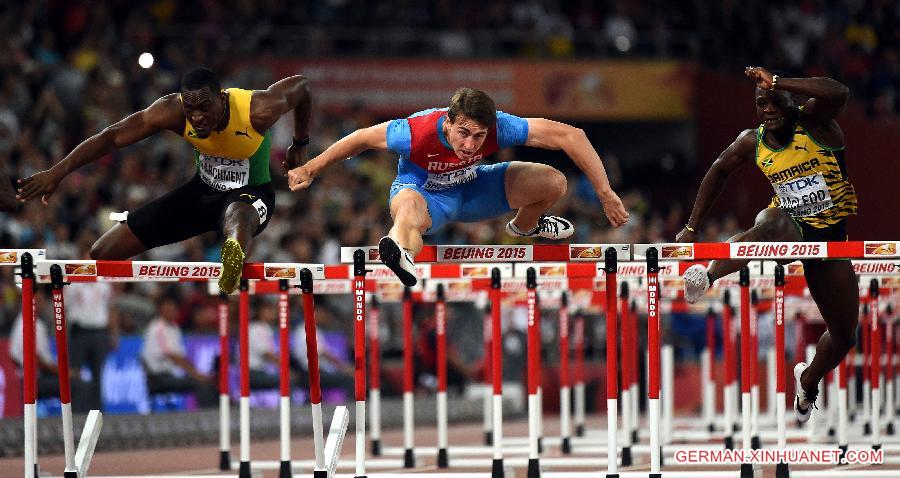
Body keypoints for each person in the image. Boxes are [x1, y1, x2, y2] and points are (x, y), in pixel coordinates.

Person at [288, 87, 629, 286]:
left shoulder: (500, 127)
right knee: (407, 211)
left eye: (478, 136)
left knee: (554, 182)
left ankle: (526, 226)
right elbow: (360, 140)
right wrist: (311, 168)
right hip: (425, 194)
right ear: (448, 122)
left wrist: (605, 192)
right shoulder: (414, 131)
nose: (470, 144)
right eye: (463, 133)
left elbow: (572, 135)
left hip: (475, 188)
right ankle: (400, 251)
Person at [16, 67, 313, 294]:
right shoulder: (172, 111)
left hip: (251, 194)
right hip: (202, 192)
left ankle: (232, 258)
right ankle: (230, 248)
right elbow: (112, 136)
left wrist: (300, 143)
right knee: (103, 252)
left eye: (205, 107)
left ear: (221, 99)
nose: (196, 118)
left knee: (239, 215)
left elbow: (301, 88)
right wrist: (57, 172)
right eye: (190, 109)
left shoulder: (256, 109)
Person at [676, 67, 858, 423]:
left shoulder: (816, 123)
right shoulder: (752, 141)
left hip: (829, 241)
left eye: (776, 102)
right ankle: (707, 276)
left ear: (793, 102)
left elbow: (838, 92)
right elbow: (718, 171)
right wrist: (692, 226)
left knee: (845, 337)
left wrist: (776, 82)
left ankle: (808, 379)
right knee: (771, 222)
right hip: (786, 226)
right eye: (762, 104)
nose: (769, 109)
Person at [140, 296, 216, 407]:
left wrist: (197, 373)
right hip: (157, 377)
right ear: (161, 311)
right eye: (167, 309)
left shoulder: (174, 328)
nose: (171, 312)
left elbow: (181, 357)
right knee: (199, 383)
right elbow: (173, 356)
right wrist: (196, 375)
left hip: (169, 374)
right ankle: (208, 414)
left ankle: (214, 411)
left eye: (173, 309)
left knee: (207, 382)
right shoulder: (157, 328)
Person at [65, 282, 118, 412]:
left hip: (99, 332)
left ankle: (97, 411)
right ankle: (75, 410)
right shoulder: (72, 284)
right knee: (74, 373)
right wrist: (63, 336)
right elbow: (63, 309)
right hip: (79, 332)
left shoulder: (103, 283)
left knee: (98, 373)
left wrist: (114, 333)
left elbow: (111, 308)